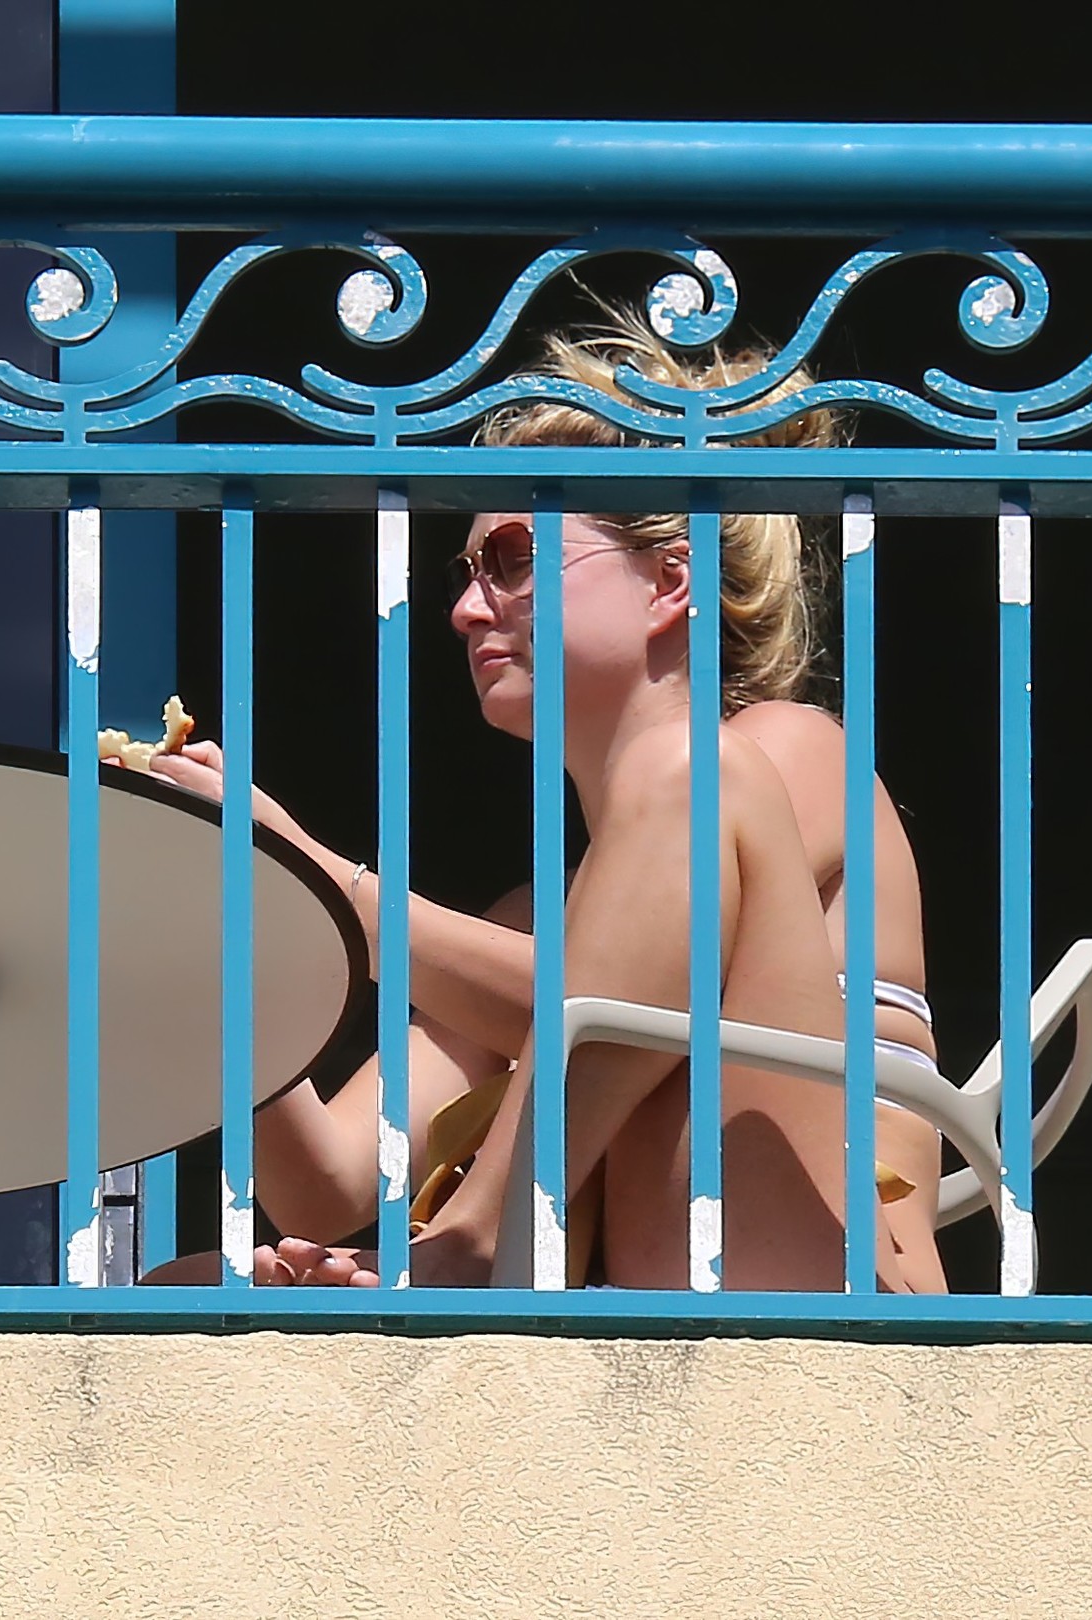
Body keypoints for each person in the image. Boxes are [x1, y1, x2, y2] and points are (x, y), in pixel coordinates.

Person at [136, 306, 945, 1293]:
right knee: (181, 1287)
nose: (463, 608)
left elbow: (596, 996)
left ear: (670, 580)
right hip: (647, 1292)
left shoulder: (787, 756)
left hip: (826, 1285)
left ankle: (480, 1242)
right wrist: (234, 922)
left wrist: (314, 875)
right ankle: (479, 1253)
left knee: (684, 775)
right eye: (466, 572)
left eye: (513, 559)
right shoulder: (542, 922)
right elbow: (330, 1182)